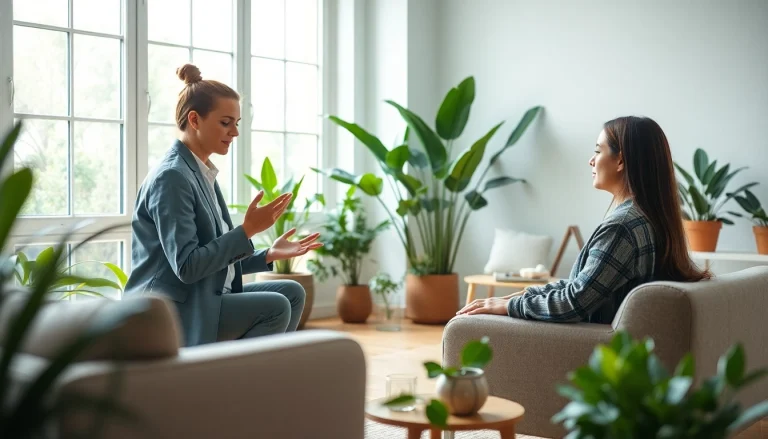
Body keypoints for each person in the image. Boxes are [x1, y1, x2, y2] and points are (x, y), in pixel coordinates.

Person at [125, 64, 322, 346]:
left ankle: (247, 375)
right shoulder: (172, 177)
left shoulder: (202, 172)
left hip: (204, 294)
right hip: (173, 308)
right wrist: (247, 230)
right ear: (194, 120)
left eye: (237, 124)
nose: (235, 133)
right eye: (226, 122)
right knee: (275, 307)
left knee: (291, 292)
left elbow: (216, 257)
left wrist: (268, 255)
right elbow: (188, 266)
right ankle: (234, 380)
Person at [457, 116, 710, 323]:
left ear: (621, 160)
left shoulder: (622, 227)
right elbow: (583, 285)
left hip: (589, 346)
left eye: (598, 151)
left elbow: (573, 302)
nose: (591, 160)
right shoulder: (649, 218)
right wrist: (520, 296)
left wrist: (511, 306)